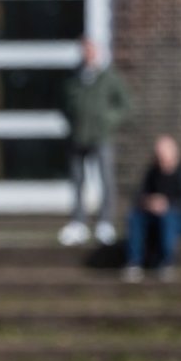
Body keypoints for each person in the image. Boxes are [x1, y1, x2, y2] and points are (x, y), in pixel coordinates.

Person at [58, 36, 132, 247]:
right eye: (84, 50)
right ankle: (78, 222)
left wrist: (109, 120)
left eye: (91, 50)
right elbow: (63, 103)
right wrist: (72, 121)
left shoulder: (108, 77)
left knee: (106, 179)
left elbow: (125, 105)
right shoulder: (73, 77)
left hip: (101, 136)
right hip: (78, 136)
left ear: (97, 53)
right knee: (78, 181)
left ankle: (105, 222)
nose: (87, 54)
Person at [122, 134, 181, 283]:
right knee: (134, 217)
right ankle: (134, 263)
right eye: (158, 155)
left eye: (163, 155)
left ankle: (167, 263)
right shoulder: (152, 172)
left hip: (177, 218)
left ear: (174, 154)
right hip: (152, 216)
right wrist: (149, 202)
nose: (160, 159)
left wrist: (166, 204)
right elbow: (139, 195)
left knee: (168, 218)